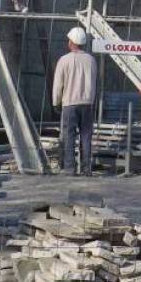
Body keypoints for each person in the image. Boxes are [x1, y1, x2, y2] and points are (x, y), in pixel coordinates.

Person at [52, 26, 98, 175]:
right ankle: (86, 169)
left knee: (69, 136)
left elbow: (58, 85)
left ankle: (70, 168)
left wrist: (56, 102)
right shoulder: (91, 61)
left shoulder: (64, 60)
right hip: (87, 104)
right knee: (86, 136)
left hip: (69, 104)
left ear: (71, 42)